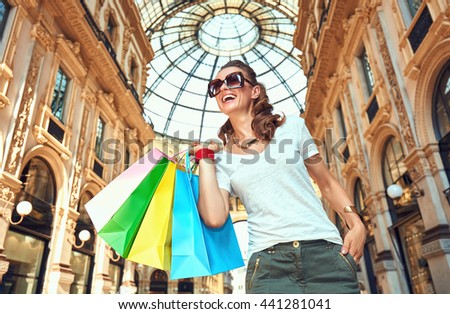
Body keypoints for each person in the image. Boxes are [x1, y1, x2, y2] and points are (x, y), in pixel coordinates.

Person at [193, 60, 366, 294]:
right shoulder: (221, 160)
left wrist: (356, 223)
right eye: (216, 86)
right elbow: (214, 218)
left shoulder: (293, 128)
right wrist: (205, 159)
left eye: (232, 80)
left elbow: (325, 182)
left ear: (255, 91)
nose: (223, 88)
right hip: (268, 266)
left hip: (325, 254)